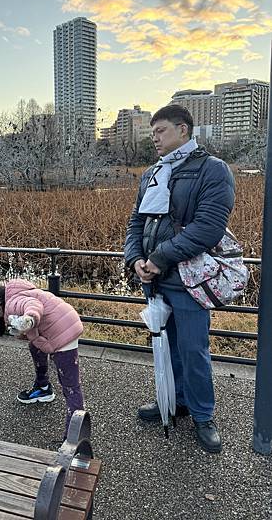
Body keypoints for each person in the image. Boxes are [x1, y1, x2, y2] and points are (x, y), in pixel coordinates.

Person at [124, 104, 235, 454]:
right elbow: (136, 224)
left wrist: (157, 258)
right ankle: (171, 402)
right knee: (164, 348)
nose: (153, 138)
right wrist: (136, 259)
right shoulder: (152, 173)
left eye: (160, 131)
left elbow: (208, 228)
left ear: (183, 130)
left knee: (193, 350)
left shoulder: (212, 170)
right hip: (154, 280)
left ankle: (203, 416)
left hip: (189, 281)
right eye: (152, 132)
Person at [0, 278, 84, 438]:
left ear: (0, 294)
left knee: (71, 387)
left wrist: (29, 320)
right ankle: (42, 388)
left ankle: (75, 438)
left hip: (63, 334)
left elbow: (33, 307)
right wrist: (24, 331)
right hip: (61, 324)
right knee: (35, 347)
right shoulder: (15, 297)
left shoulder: (14, 302)